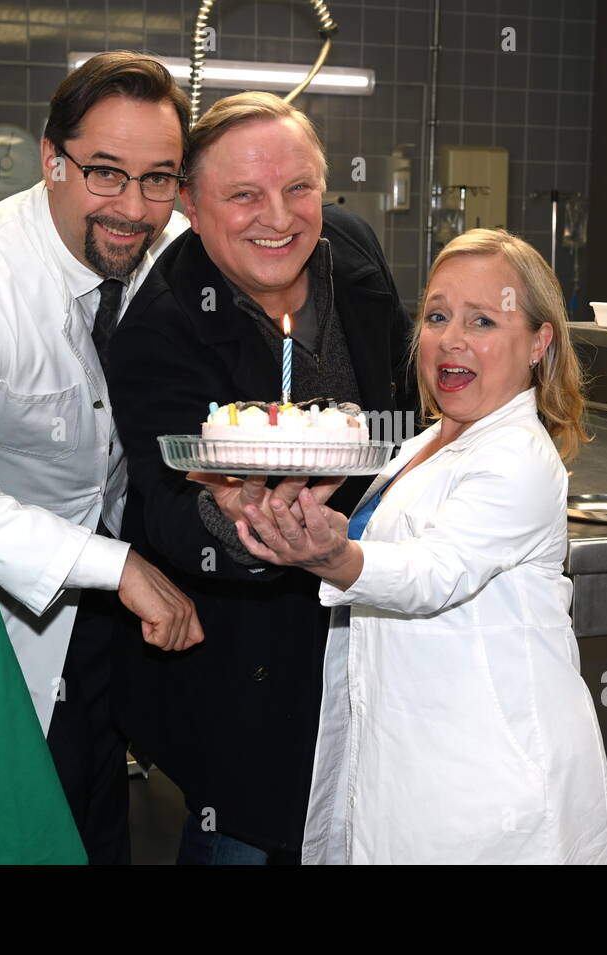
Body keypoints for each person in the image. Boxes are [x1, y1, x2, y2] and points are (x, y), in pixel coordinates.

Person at [0, 52, 202, 865]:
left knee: (108, 823)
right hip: (17, 620)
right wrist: (116, 565)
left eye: (159, 178)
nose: (134, 208)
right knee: (31, 827)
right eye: (106, 172)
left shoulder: (165, 254)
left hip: (121, 625)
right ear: (50, 160)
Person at [235, 229, 607, 864]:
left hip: (487, 783)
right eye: (438, 315)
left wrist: (332, 558)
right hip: (413, 757)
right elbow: (389, 547)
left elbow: (433, 572)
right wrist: (305, 519)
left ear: (539, 342)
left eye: (483, 320)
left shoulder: (518, 458)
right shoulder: (422, 444)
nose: (451, 338)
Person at [106, 92, 417, 864]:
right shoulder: (159, 325)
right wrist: (246, 523)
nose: (278, 217)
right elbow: (170, 510)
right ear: (188, 203)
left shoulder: (351, 246)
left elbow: (404, 400)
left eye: (299, 188)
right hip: (251, 652)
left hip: (375, 616)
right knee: (251, 833)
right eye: (243, 194)